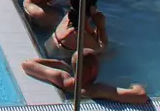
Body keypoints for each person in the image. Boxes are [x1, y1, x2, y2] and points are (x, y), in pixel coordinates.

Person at [20, 45, 149, 105]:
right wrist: (136, 85)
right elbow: (141, 97)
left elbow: (27, 64)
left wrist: (56, 62)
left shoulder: (63, 79)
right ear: (93, 70)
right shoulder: (97, 89)